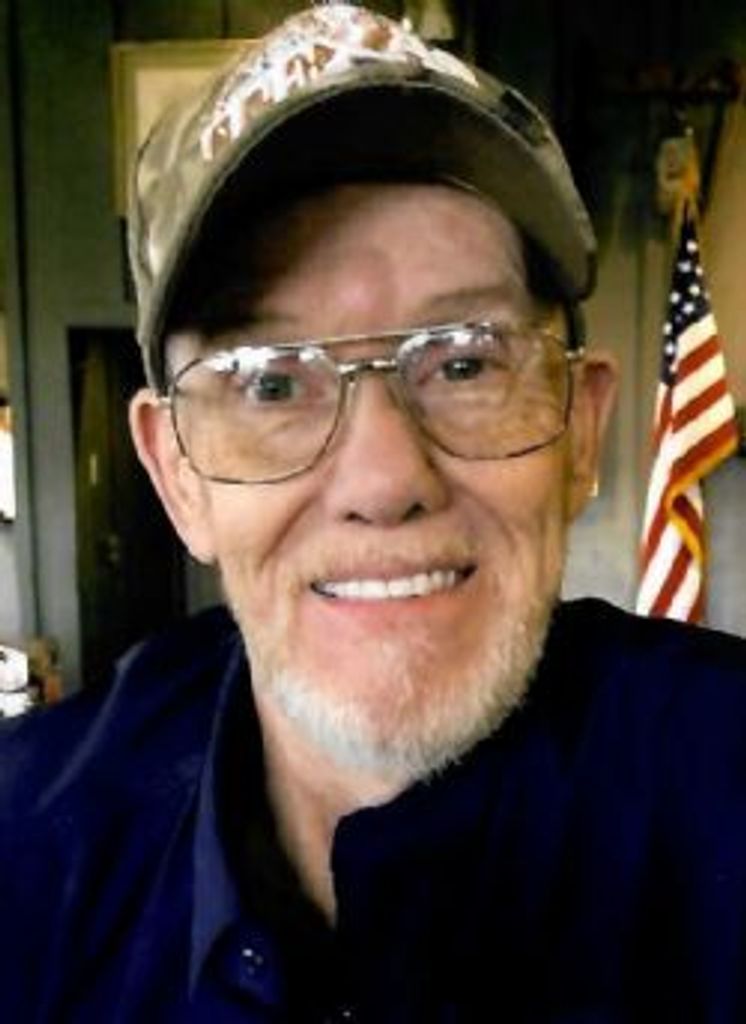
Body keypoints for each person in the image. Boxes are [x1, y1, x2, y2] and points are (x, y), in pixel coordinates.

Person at [2, 4, 746, 1021]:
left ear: (579, 432)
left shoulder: (721, 785)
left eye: (464, 362)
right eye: (270, 382)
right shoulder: (28, 860)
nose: (383, 478)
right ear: (176, 474)